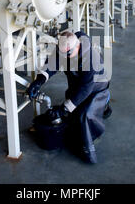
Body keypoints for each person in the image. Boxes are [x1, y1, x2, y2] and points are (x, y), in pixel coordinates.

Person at [26, 31, 111, 163]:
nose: (65, 58)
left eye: (68, 54)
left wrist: (63, 109)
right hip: (77, 85)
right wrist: (39, 81)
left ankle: (88, 145)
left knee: (85, 116)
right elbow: (52, 64)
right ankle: (99, 109)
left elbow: (85, 90)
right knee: (72, 113)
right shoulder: (65, 46)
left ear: (77, 46)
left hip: (96, 88)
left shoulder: (91, 58)